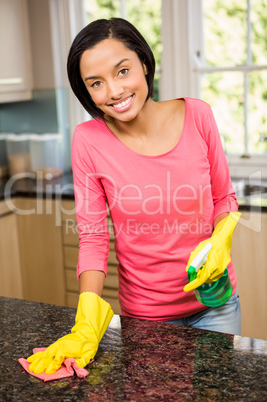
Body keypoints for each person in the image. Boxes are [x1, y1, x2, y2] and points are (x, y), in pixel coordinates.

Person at [28, 18, 241, 375]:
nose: (113, 91)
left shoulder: (198, 115)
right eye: (96, 83)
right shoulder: (88, 141)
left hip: (216, 304)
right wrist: (86, 324)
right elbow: (94, 238)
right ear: (86, 91)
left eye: (122, 71)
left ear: (144, 62)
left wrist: (222, 238)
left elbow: (224, 198)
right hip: (146, 316)